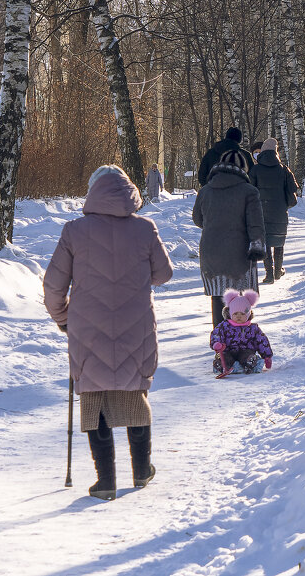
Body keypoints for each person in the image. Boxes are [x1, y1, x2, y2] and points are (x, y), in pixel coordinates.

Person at [43, 165, 173, 501]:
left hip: (87, 327)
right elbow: (164, 273)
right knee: (133, 395)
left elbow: (53, 286)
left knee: (94, 399)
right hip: (136, 323)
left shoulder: (75, 231)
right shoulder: (145, 229)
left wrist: (63, 318)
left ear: (92, 192)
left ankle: (105, 481)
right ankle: (142, 470)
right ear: (130, 192)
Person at [192, 149, 266, 327]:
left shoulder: (205, 191)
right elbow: (255, 224)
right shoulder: (249, 191)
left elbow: (197, 219)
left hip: (210, 252)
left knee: (219, 297)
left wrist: (214, 227)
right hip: (239, 254)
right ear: (243, 168)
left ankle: (221, 346)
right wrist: (257, 246)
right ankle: (241, 344)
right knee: (239, 300)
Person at [249, 137, 298, 284]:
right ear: (276, 151)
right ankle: (278, 271)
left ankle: (269, 274)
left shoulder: (255, 169)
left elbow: (250, 189)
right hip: (280, 211)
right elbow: (293, 188)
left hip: (261, 211)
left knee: (266, 242)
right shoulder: (284, 169)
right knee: (279, 240)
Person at [210, 289, 273, 375]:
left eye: (242, 314)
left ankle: (250, 362)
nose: (239, 317)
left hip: (245, 350)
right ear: (230, 313)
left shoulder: (253, 328)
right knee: (224, 357)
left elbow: (262, 341)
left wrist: (267, 356)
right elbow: (216, 334)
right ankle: (221, 365)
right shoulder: (224, 326)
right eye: (235, 314)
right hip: (228, 351)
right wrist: (217, 343)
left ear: (248, 314)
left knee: (247, 355)